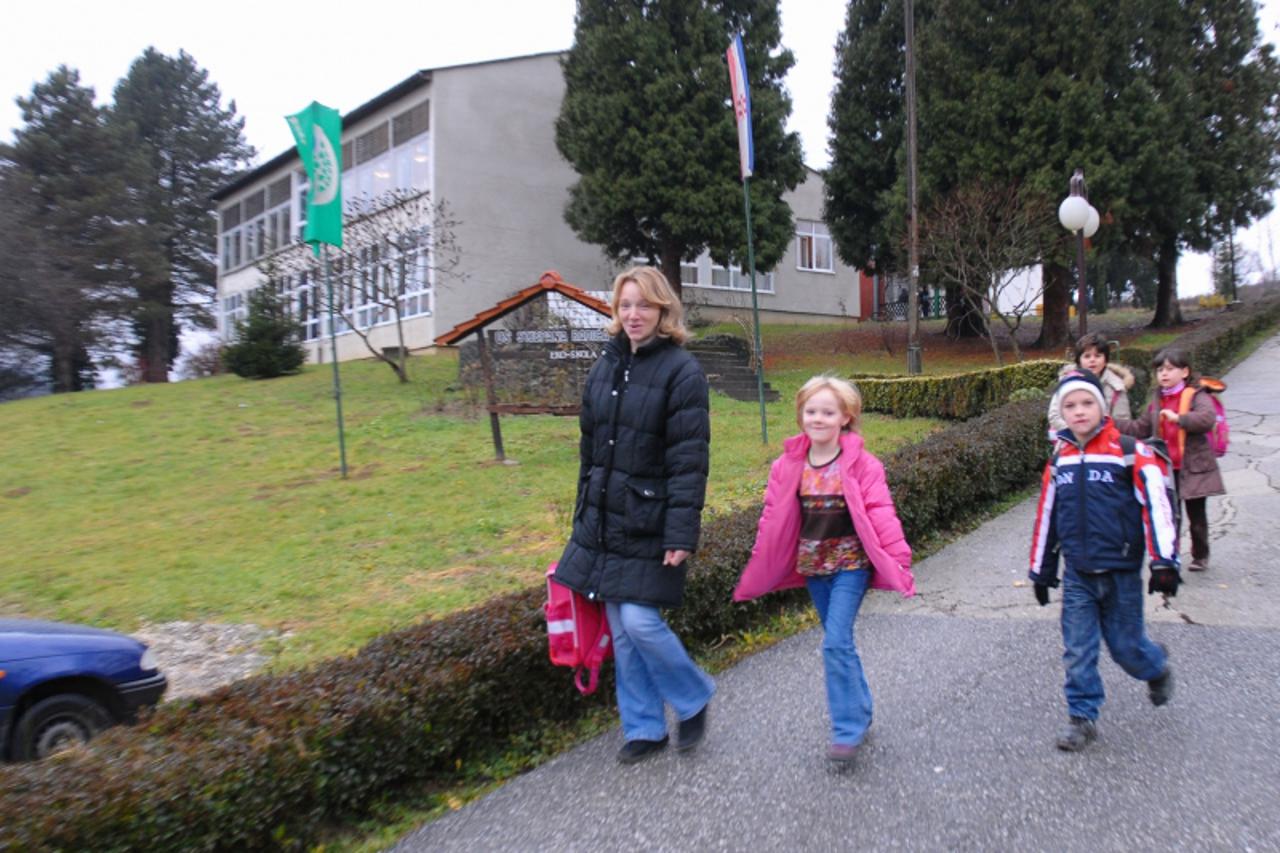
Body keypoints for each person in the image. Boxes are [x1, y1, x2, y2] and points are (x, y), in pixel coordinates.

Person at [554, 265, 714, 765]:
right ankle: (643, 726)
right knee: (621, 630)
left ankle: (693, 697)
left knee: (641, 622)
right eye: (625, 305)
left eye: (643, 305)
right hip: (605, 519)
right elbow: (589, 447)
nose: (633, 314)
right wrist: (583, 511)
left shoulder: (681, 372)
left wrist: (681, 532)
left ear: (663, 310)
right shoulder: (606, 364)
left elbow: (689, 460)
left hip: (650, 519)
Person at [733, 376, 915, 764]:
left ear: (845, 417)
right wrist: (762, 548)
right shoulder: (787, 465)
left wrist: (898, 557)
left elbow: (881, 511)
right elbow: (773, 513)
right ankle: (861, 710)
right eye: (811, 411)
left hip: (851, 565)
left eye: (827, 412)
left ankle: (846, 730)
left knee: (834, 642)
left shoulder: (863, 464)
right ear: (801, 415)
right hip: (813, 565)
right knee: (840, 643)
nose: (818, 418)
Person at [1030, 370, 1180, 752]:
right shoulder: (1060, 458)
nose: (1079, 412)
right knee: (1078, 648)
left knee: (1125, 647)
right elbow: (1047, 514)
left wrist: (1164, 562)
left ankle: (1155, 667)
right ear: (1061, 412)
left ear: (1102, 405)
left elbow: (1157, 507)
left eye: (1086, 403)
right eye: (1070, 405)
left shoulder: (1129, 451)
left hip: (1122, 572)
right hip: (1078, 572)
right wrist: (1041, 570)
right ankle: (1082, 717)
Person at [1115, 347, 1225, 572]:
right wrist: (1111, 424)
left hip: (1193, 466)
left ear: (1185, 372)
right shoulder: (1157, 400)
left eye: (1170, 369)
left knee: (1197, 516)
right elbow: (1140, 427)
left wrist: (1180, 418)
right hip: (1166, 466)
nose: (1163, 374)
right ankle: (1169, 554)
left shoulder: (1196, 395)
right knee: (1169, 515)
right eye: (1160, 370)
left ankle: (1200, 554)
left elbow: (1206, 418)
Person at [1047, 332, 1133, 435]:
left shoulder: (1116, 387)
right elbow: (1054, 415)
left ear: (1105, 360)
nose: (1092, 360)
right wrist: (1077, 434)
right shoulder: (1066, 383)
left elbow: (1123, 422)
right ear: (1079, 360)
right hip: (1070, 441)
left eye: (1098, 356)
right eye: (1087, 356)